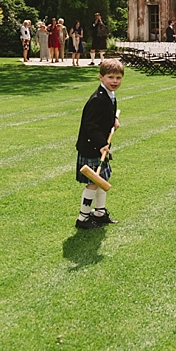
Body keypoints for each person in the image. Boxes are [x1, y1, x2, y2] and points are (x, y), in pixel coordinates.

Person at [74, 59, 123, 229]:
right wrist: (102, 144)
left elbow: (106, 114)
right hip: (91, 147)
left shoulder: (109, 94)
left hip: (99, 146)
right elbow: (90, 125)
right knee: (93, 182)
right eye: (110, 77)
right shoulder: (98, 98)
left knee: (102, 179)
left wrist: (114, 119)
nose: (114, 81)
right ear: (101, 77)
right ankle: (83, 218)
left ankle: (99, 213)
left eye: (118, 78)